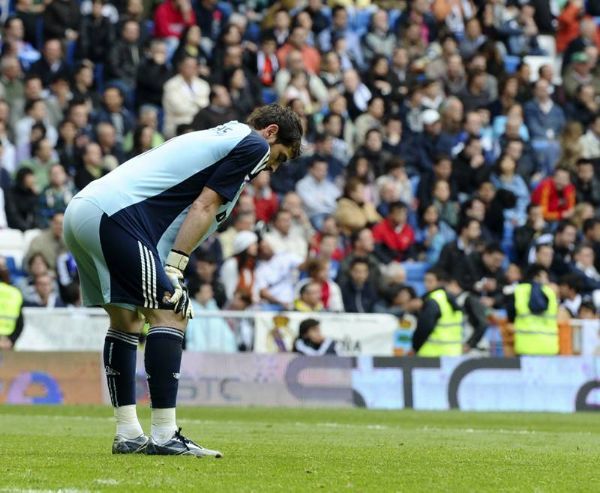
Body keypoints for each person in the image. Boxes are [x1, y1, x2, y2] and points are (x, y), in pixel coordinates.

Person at [62, 104, 302, 456]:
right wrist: (176, 267)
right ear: (270, 132)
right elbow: (204, 206)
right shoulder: (252, 145)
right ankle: (164, 434)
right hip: (118, 218)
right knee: (171, 314)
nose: (273, 166)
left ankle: (128, 432)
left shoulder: (221, 138)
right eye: (280, 157)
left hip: (85, 210)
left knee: (126, 320)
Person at [506, 264, 559, 355]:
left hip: (525, 347)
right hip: (549, 347)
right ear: (537, 276)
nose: (547, 280)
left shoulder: (518, 291)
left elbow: (510, 317)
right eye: (545, 277)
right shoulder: (550, 293)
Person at [412, 269, 464, 357]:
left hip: (432, 354)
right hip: (453, 354)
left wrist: (415, 347)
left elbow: (425, 327)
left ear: (439, 282)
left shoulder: (434, 300)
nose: (426, 284)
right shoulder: (450, 299)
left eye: (430, 281)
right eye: (425, 280)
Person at [185, 281, 236, 352]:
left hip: (218, 354)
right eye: (207, 291)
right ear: (197, 294)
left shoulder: (213, 307)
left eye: (211, 291)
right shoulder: (189, 309)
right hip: (196, 355)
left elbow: (225, 333)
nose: (212, 294)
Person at [0, 256, 24, 350]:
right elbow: (20, 323)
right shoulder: (16, 293)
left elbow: (20, 322)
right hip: (7, 344)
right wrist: (10, 340)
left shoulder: (15, 293)